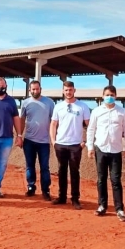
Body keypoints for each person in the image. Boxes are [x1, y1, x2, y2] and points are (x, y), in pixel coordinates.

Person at [86, 85, 125, 222]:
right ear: (102, 96)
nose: (109, 97)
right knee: (101, 179)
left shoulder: (122, 112)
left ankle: (119, 209)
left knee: (116, 180)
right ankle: (102, 206)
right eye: (107, 95)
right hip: (100, 148)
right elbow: (91, 129)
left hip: (116, 150)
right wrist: (90, 147)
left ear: (116, 96)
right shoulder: (96, 111)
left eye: (112, 94)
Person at [50, 81, 90, 209]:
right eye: (66, 90)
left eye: (70, 90)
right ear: (63, 91)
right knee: (62, 170)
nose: (68, 92)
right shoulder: (58, 106)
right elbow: (53, 124)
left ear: (74, 90)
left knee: (74, 171)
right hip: (60, 144)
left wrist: (86, 142)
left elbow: (89, 125)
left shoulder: (82, 106)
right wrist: (53, 141)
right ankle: (62, 197)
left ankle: (75, 199)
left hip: (75, 145)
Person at [20, 80, 55, 200]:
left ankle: (46, 190)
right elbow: (22, 120)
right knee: (30, 166)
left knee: (44, 167)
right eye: (33, 89)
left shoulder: (49, 102)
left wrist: (54, 138)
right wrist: (19, 135)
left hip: (44, 142)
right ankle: (31, 187)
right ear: (29, 90)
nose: (35, 91)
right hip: (29, 140)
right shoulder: (25, 103)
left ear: (41, 89)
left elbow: (54, 121)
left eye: (37, 89)